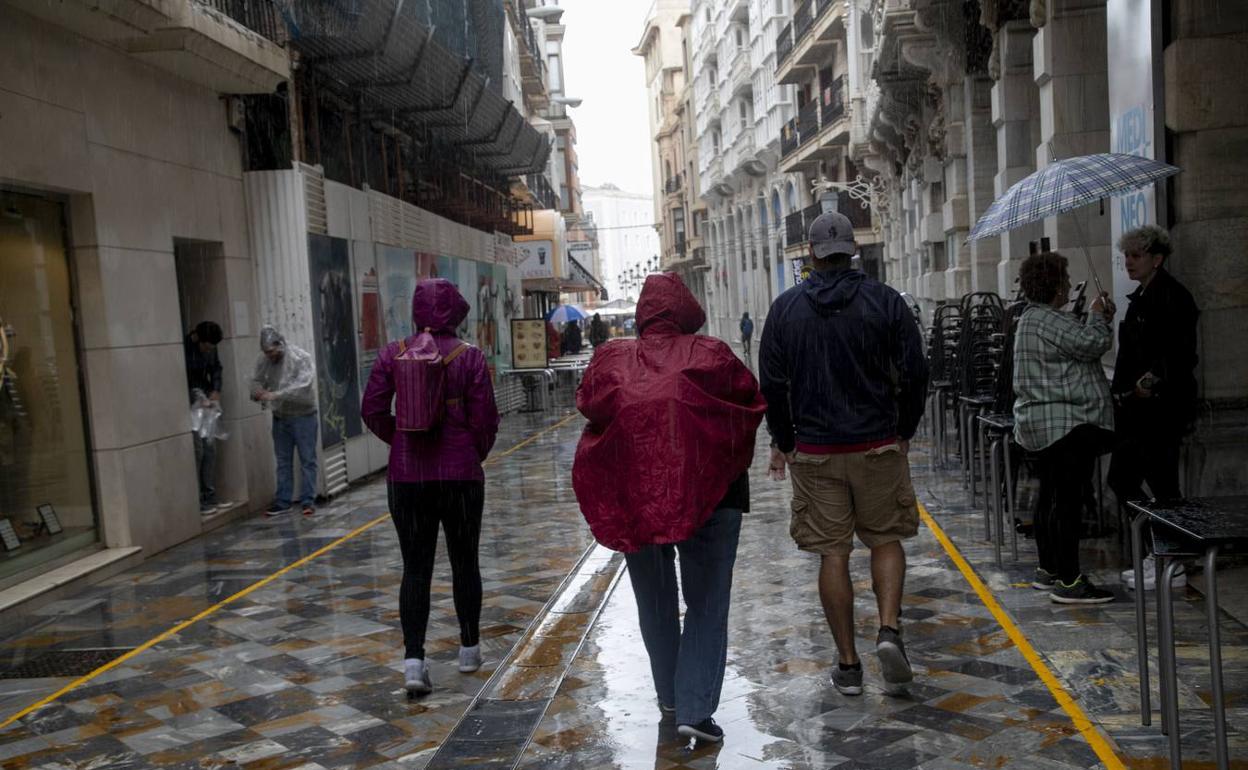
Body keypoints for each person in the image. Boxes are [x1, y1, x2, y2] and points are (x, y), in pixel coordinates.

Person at [574, 273, 765, 744]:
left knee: (654, 602)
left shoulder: (611, 361)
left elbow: (588, 406)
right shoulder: (710, 355)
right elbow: (750, 402)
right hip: (711, 498)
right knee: (706, 601)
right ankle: (695, 709)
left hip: (635, 501)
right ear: (686, 309)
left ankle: (671, 697)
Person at [759, 211, 928, 697]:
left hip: (815, 453)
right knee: (886, 538)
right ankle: (890, 630)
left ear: (810, 254)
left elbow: (772, 383)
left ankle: (849, 666)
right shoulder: (887, 302)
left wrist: (785, 440)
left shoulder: (786, 309)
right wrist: (904, 428)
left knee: (833, 553)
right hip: (877, 443)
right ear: (852, 251)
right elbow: (916, 370)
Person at [361, 279, 500, 697]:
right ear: (457, 312)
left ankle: (414, 662)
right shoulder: (470, 358)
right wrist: (470, 453)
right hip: (459, 477)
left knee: (415, 568)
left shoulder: (393, 353)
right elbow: (486, 421)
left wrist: (401, 440)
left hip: (407, 478)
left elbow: (371, 409)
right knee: (464, 561)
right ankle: (469, 649)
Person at [1012, 251, 1117, 604]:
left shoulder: (1031, 319)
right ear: (1055, 286)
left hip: (1041, 427)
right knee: (1067, 500)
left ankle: (1050, 568)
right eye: (1066, 280)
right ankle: (1070, 581)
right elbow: (1093, 344)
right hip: (1066, 426)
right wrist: (1100, 317)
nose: (1070, 286)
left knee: (1051, 497)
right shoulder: (1046, 319)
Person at [1107, 226, 1199, 591]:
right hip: (1137, 409)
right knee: (1125, 479)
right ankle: (1163, 552)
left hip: (1161, 409)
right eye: (1126, 256)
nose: (1128, 262)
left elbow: (1179, 354)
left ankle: (1170, 557)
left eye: (1136, 256)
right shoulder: (1142, 296)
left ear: (1156, 259)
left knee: (1161, 483)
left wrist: (1152, 379)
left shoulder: (1173, 297)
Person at [250, 326, 318, 517]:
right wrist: (257, 392)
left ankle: (308, 501)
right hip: (281, 417)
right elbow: (256, 380)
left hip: (304, 415)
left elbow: (303, 386)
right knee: (282, 461)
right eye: (266, 353)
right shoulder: (264, 361)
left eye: (272, 352)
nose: (270, 356)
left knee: (307, 459)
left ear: (280, 344)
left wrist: (276, 395)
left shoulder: (299, 358)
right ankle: (283, 501)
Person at [185, 321, 231, 515]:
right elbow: (184, 376)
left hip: (205, 400)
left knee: (210, 447)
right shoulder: (186, 349)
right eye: (207, 346)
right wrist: (196, 396)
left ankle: (209, 495)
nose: (209, 350)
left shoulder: (210, 348)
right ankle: (199, 499)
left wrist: (215, 390)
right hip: (193, 403)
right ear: (198, 339)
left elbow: (216, 369)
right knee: (199, 450)